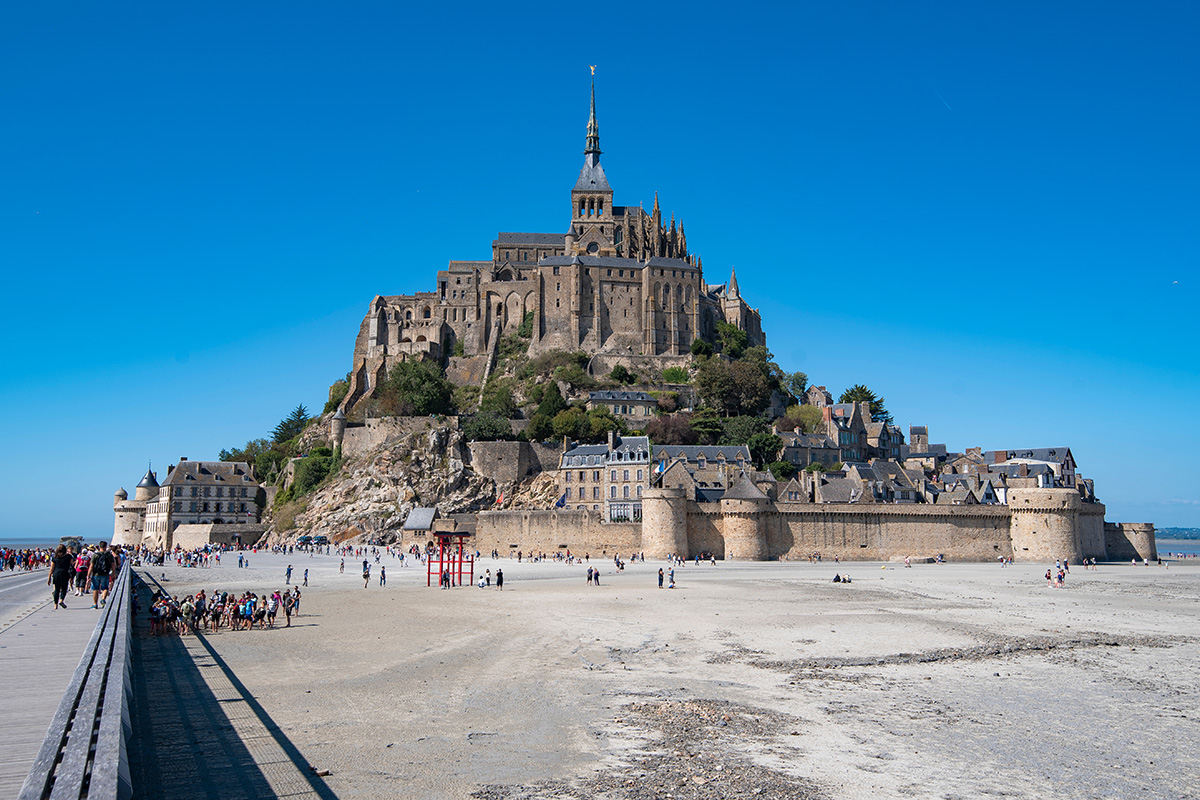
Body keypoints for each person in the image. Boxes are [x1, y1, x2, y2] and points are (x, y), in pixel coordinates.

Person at [88, 542, 114, 609]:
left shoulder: (95, 555)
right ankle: (103, 599)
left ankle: (95, 604)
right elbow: (113, 565)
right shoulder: (109, 555)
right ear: (105, 547)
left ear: (99, 547)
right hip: (105, 574)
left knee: (95, 589)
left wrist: (88, 575)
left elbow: (91, 566)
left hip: (96, 574)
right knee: (105, 588)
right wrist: (113, 573)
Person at [48, 544, 73, 609]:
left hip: (56, 573)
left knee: (57, 589)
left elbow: (51, 568)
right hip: (64, 573)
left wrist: (49, 578)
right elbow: (72, 564)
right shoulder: (68, 557)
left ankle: (55, 605)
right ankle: (61, 600)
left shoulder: (55, 558)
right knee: (64, 588)